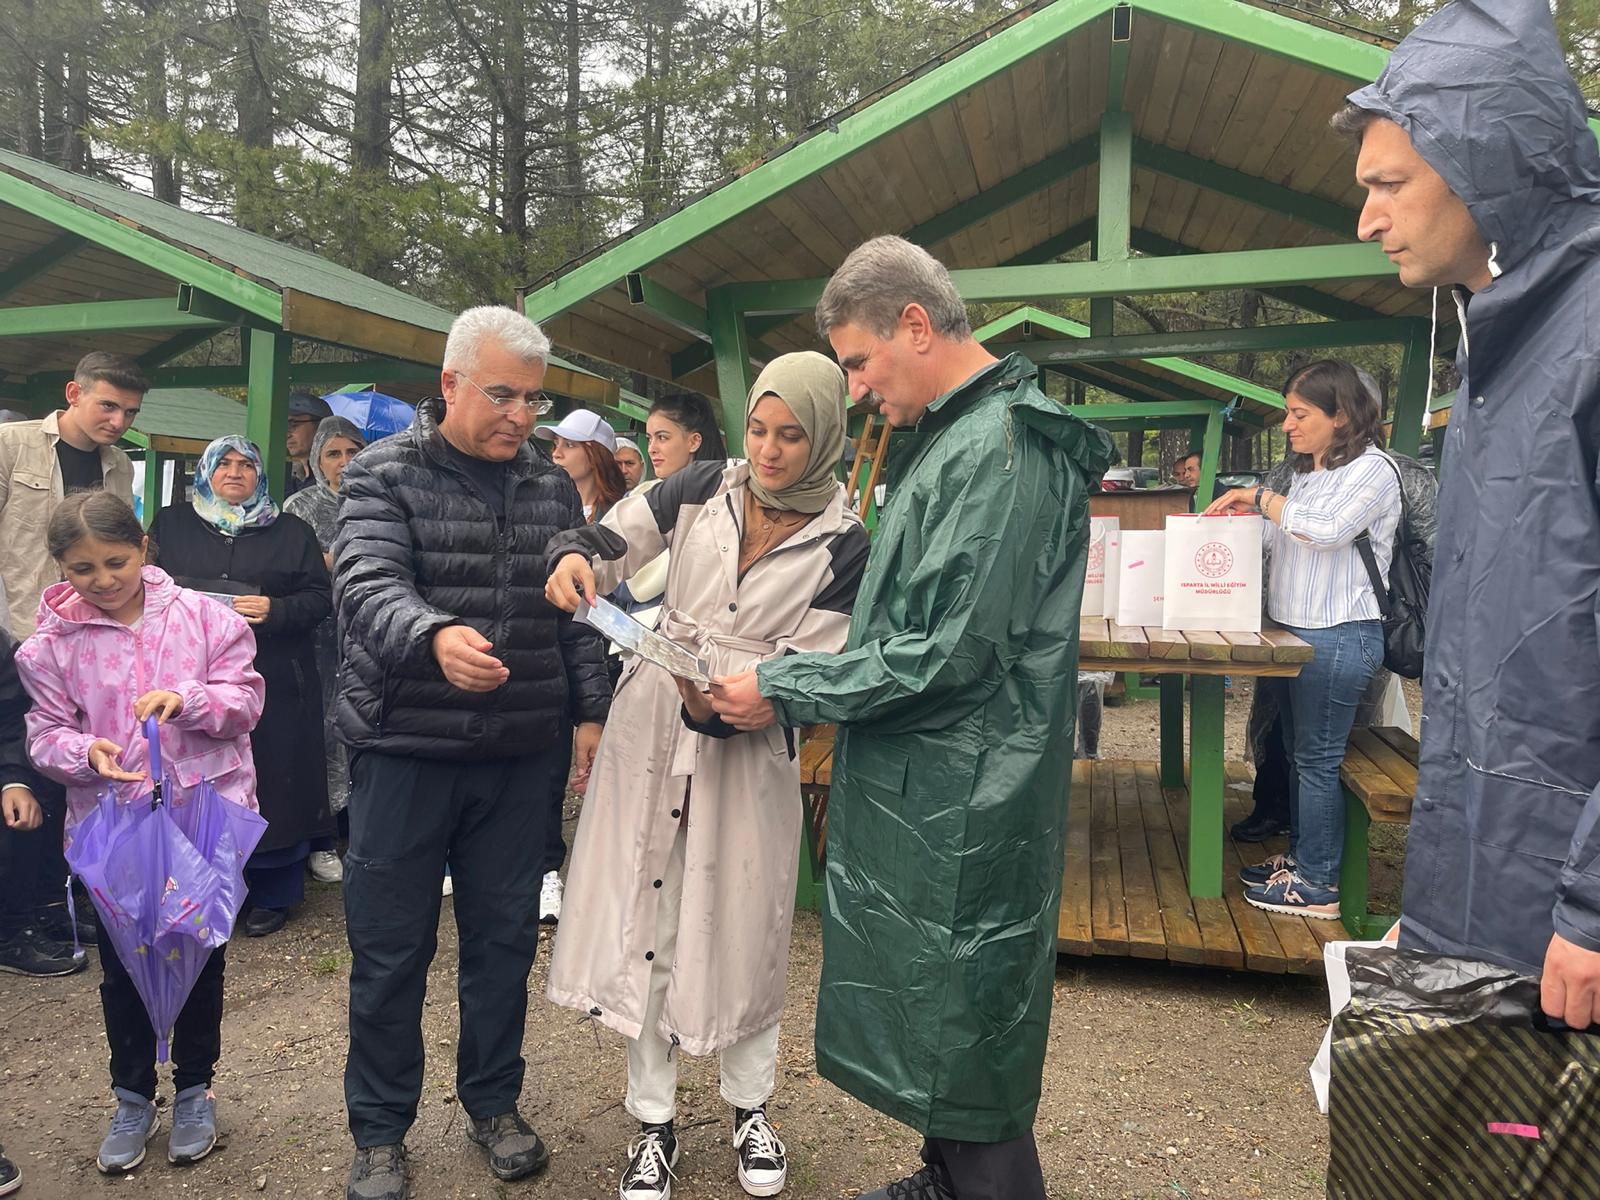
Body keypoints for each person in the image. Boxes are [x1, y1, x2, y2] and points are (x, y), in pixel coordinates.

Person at [710, 236, 1115, 1200]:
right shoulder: (965, 432)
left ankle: (976, 1181)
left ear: (917, 325)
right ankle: (942, 1176)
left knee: (964, 1034)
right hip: (940, 783)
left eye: (858, 361)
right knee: (939, 1020)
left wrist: (787, 686)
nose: (852, 389)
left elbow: (953, 650)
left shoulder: (1006, 445)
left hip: (969, 793)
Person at [546, 352, 869, 1200]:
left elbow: (824, 658)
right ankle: (652, 1120)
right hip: (654, 721)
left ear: (826, 435)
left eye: (792, 435)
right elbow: (613, 536)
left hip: (751, 733)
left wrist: (774, 693)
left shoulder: (846, 539)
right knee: (648, 915)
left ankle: (748, 1106)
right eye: (759, 429)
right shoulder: (697, 487)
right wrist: (578, 555)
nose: (769, 450)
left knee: (743, 924)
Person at [1332, 0, 1600, 1021]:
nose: (1366, 219)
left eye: (1387, 184)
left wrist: (1589, 912)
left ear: (1487, 164)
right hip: (1503, 911)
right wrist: (1443, 914)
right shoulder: (1502, 347)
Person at [333, 306, 612, 1200]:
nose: (522, 417)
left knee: (501, 942)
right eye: (503, 395)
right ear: (451, 383)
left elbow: (574, 601)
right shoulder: (382, 473)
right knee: (390, 949)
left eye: (534, 400)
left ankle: (494, 1103)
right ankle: (380, 1130)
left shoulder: (549, 487)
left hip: (518, 754)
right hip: (406, 747)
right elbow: (368, 584)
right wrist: (433, 636)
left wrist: (589, 710)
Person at [15, 490, 264, 1174]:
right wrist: (80, 754)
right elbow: (44, 732)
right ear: (60, 568)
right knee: (125, 964)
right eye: (81, 569)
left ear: (144, 548)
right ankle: (131, 1094)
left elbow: (245, 700)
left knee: (200, 954)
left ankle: (193, 1089)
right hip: (109, 823)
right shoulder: (49, 648)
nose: (101, 580)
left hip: (204, 814)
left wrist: (189, 701)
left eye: (114, 561)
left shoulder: (204, 619)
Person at [1205, 361, 1401, 919]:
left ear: (1341, 415)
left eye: (1300, 414)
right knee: (1297, 753)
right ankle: (1301, 858)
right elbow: (1283, 537)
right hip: (1297, 638)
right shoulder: (1308, 474)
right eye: (1288, 413)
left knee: (1316, 759)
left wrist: (1259, 498)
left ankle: (1317, 882)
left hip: (1340, 634)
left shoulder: (1373, 470)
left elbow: (1324, 530)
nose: (1288, 425)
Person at [150, 438, 333, 938]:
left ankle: (273, 891)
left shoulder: (292, 530)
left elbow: (320, 598)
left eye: (247, 465)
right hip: (189, 677)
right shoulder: (172, 524)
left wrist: (277, 610)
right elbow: (147, 584)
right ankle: (201, 887)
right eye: (224, 464)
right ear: (206, 471)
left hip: (273, 676)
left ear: (261, 475)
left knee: (276, 776)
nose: (235, 473)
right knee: (199, 777)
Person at [0, 351, 143, 976]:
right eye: (107, 405)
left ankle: (60, 901)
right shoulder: (12, 444)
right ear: (74, 393)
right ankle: (15, 923)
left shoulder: (119, 467)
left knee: (80, 773)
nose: (117, 420)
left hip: (84, 640)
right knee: (22, 776)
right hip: (14, 633)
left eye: (130, 411)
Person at [531, 408, 627, 922]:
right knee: (550, 772)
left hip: (617, 657)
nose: (557, 453)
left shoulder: (627, 513)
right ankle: (548, 871)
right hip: (562, 654)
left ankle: (604, 871)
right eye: (554, 444)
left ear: (596, 452)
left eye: (568, 444)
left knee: (605, 774)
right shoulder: (543, 504)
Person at [284, 416, 368, 880]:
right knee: (319, 728)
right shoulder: (300, 506)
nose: (344, 463)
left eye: (353, 452)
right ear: (317, 461)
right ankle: (322, 834)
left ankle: (361, 823)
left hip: (368, 634)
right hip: (317, 638)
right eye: (333, 454)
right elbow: (295, 566)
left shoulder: (380, 498)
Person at [646, 392, 727, 480]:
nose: (651, 449)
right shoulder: (644, 491)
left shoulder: (725, 490)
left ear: (694, 442)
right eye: (649, 439)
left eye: (662, 437)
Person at [285, 392, 334, 498]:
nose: (286, 434)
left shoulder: (335, 478)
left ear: (321, 425)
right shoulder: (288, 478)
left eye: (293, 424)